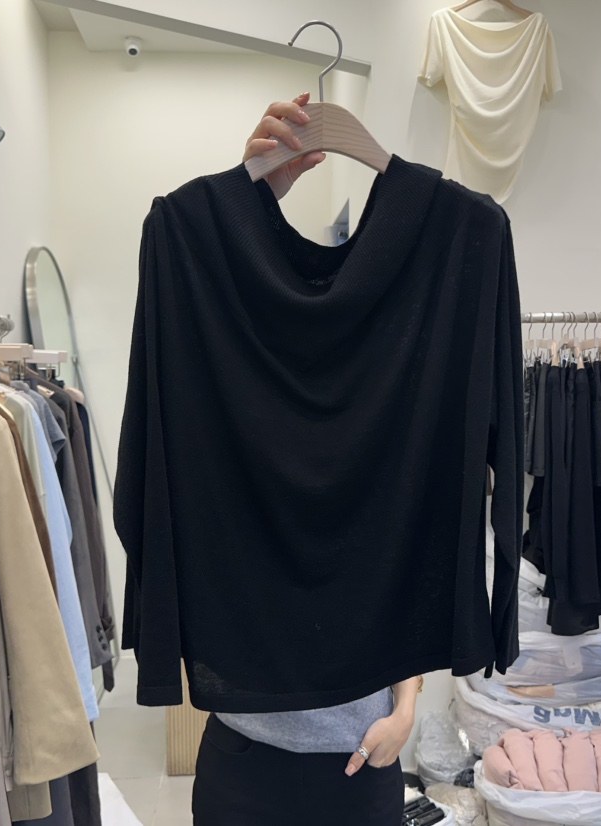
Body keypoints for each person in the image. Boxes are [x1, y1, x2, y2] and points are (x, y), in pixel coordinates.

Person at [190, 93, 421, 826]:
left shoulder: (399, 380)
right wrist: (246, 198)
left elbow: (412, 558)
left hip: (361, 753)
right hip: (243, 750)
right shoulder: (227, 383)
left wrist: (405, 711)